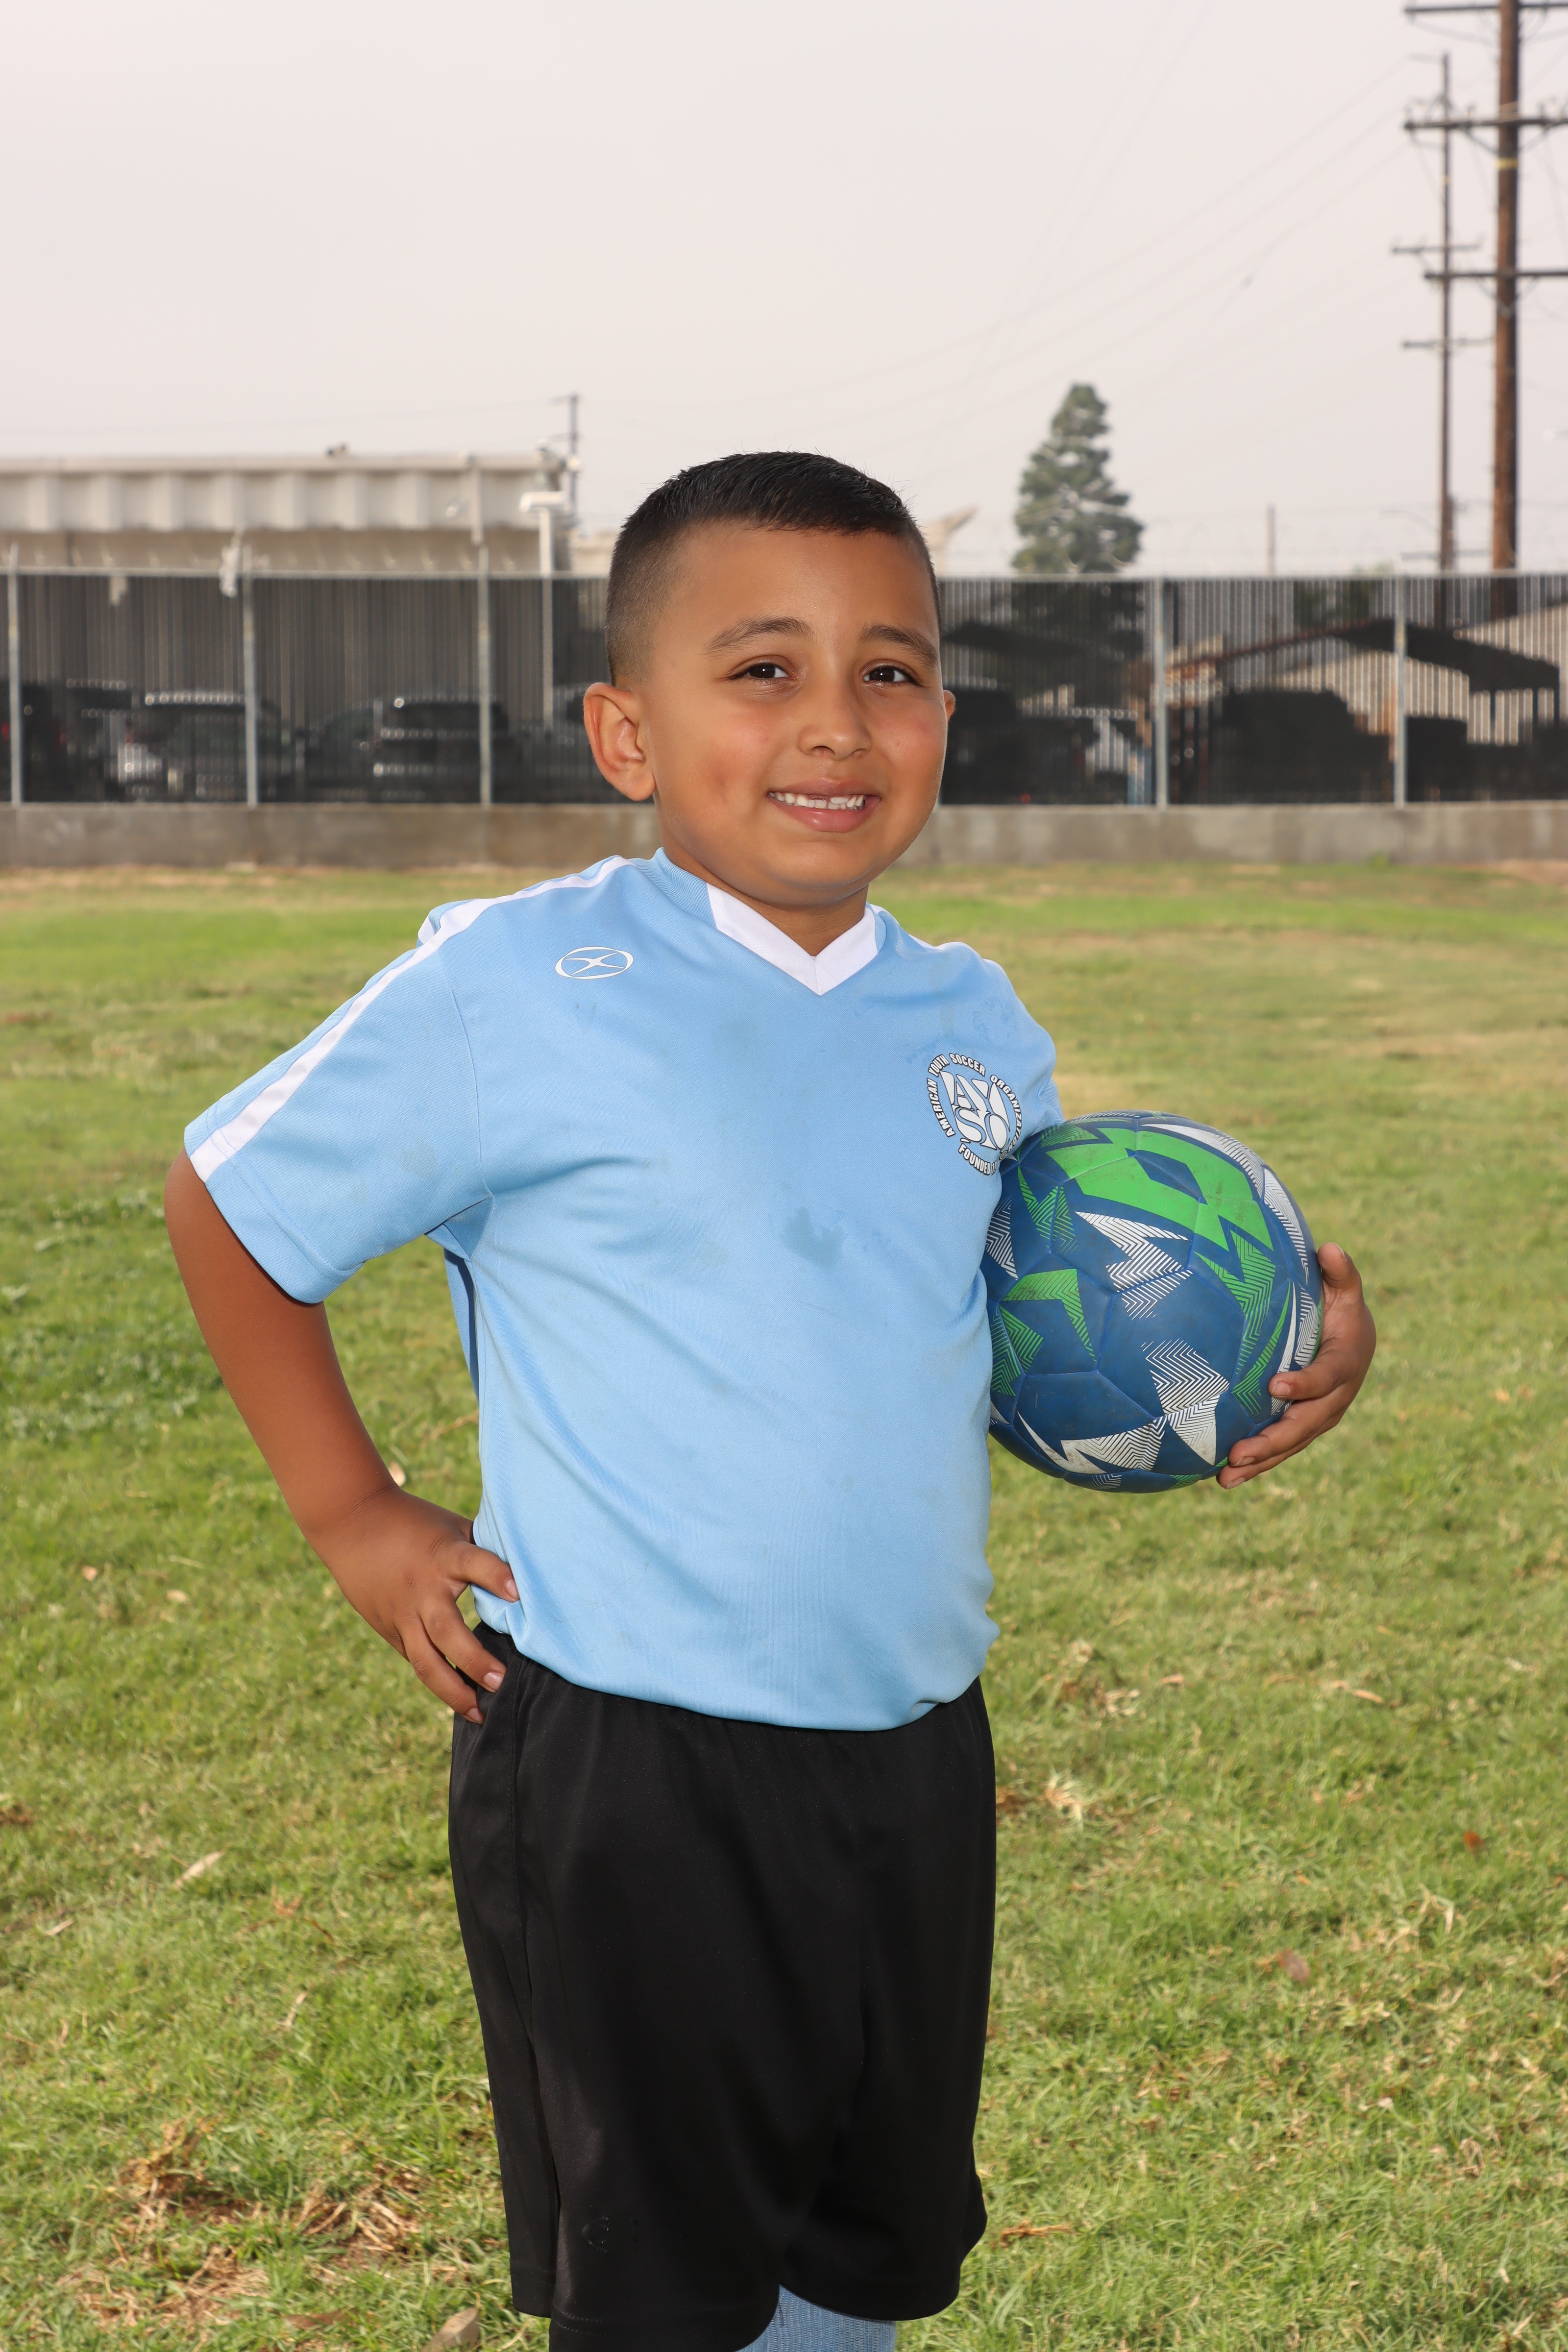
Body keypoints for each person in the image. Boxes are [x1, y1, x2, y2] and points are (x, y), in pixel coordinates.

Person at [165, 452, 1376, 2352]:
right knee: (662, 2284)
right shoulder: (516, 988)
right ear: (626, 733)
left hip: (912, 1746)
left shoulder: (975, 1026)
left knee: (858, 2247)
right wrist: (353, 1513)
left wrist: (1270, 1352)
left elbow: (1030, 1308)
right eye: (762, 671)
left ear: (943, 718)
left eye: (890, 672)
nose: (835, 722)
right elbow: (230, 1205)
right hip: (633, 1767)